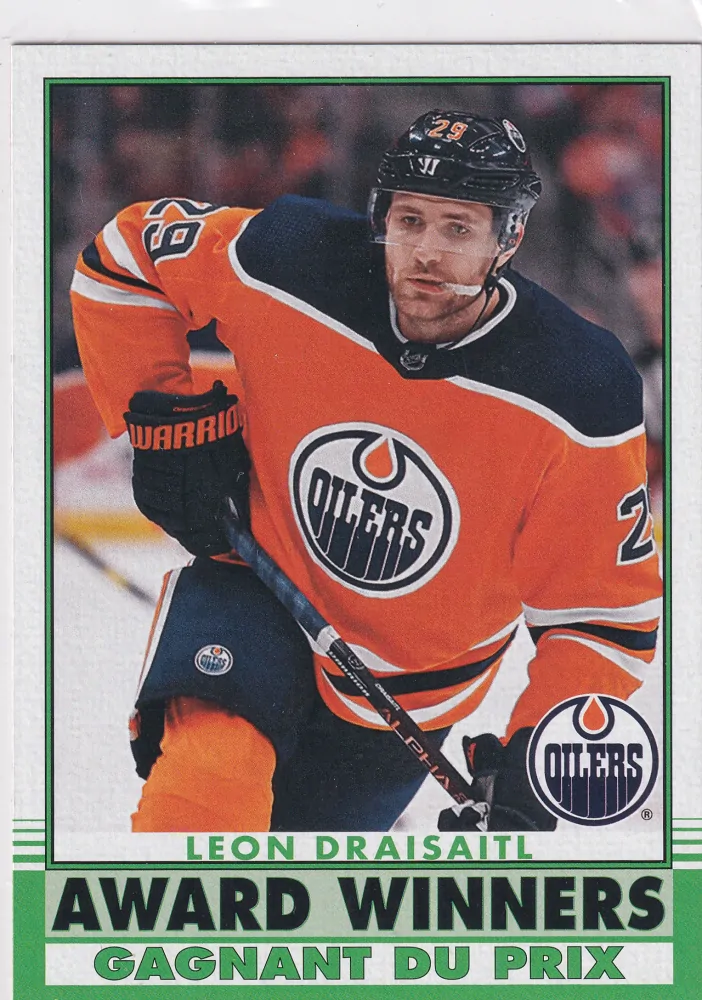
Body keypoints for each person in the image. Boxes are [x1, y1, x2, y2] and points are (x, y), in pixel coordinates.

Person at [70, 110, 662, 833]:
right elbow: (124, 257)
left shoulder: (579, 387)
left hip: (408, 694)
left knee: (310, 884)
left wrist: (538, 743)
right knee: (203, 796)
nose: (426, 253)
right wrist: (163, 419)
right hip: (253, 586)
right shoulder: (290, 260)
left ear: (508, 237)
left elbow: (604, 615)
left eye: (458, 228)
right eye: (409, 221)